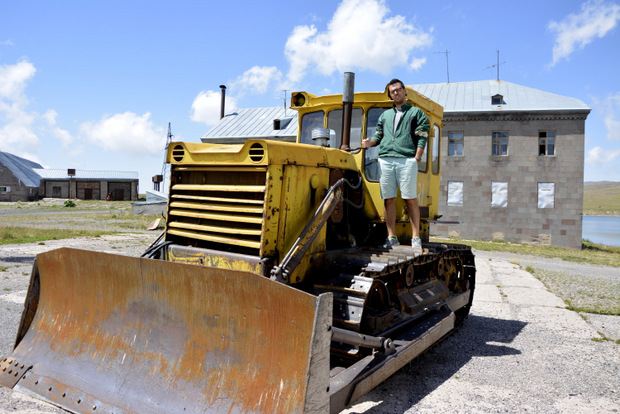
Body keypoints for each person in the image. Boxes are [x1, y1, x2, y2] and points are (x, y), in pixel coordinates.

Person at [361, 79, 429, 254]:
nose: (396, 93)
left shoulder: (416, 112)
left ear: (405, 91)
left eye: (398, 90)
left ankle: (415, 237)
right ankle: (391, 237)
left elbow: (423, 135)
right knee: (389, 198)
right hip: (385, 159)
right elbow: (378, 137)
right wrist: (369, 143)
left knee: (410, 198)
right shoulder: (385, 116)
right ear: (390, 95)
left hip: (406, 159)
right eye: (393, 91)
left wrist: (417, 156)